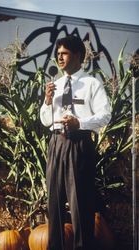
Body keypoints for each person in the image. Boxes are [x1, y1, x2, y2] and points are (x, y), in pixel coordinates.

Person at [40, 35, 111, 250]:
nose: (59, 58)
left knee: (80, 203)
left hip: (79, 145)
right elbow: (45, 120)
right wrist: (47, 101)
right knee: (54, 203)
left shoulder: (92, 84)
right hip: (56, 144)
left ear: (78, 55)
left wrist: (79, 123)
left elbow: (106, 115)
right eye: (58, 54)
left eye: (64, 53)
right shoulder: (55, 85)